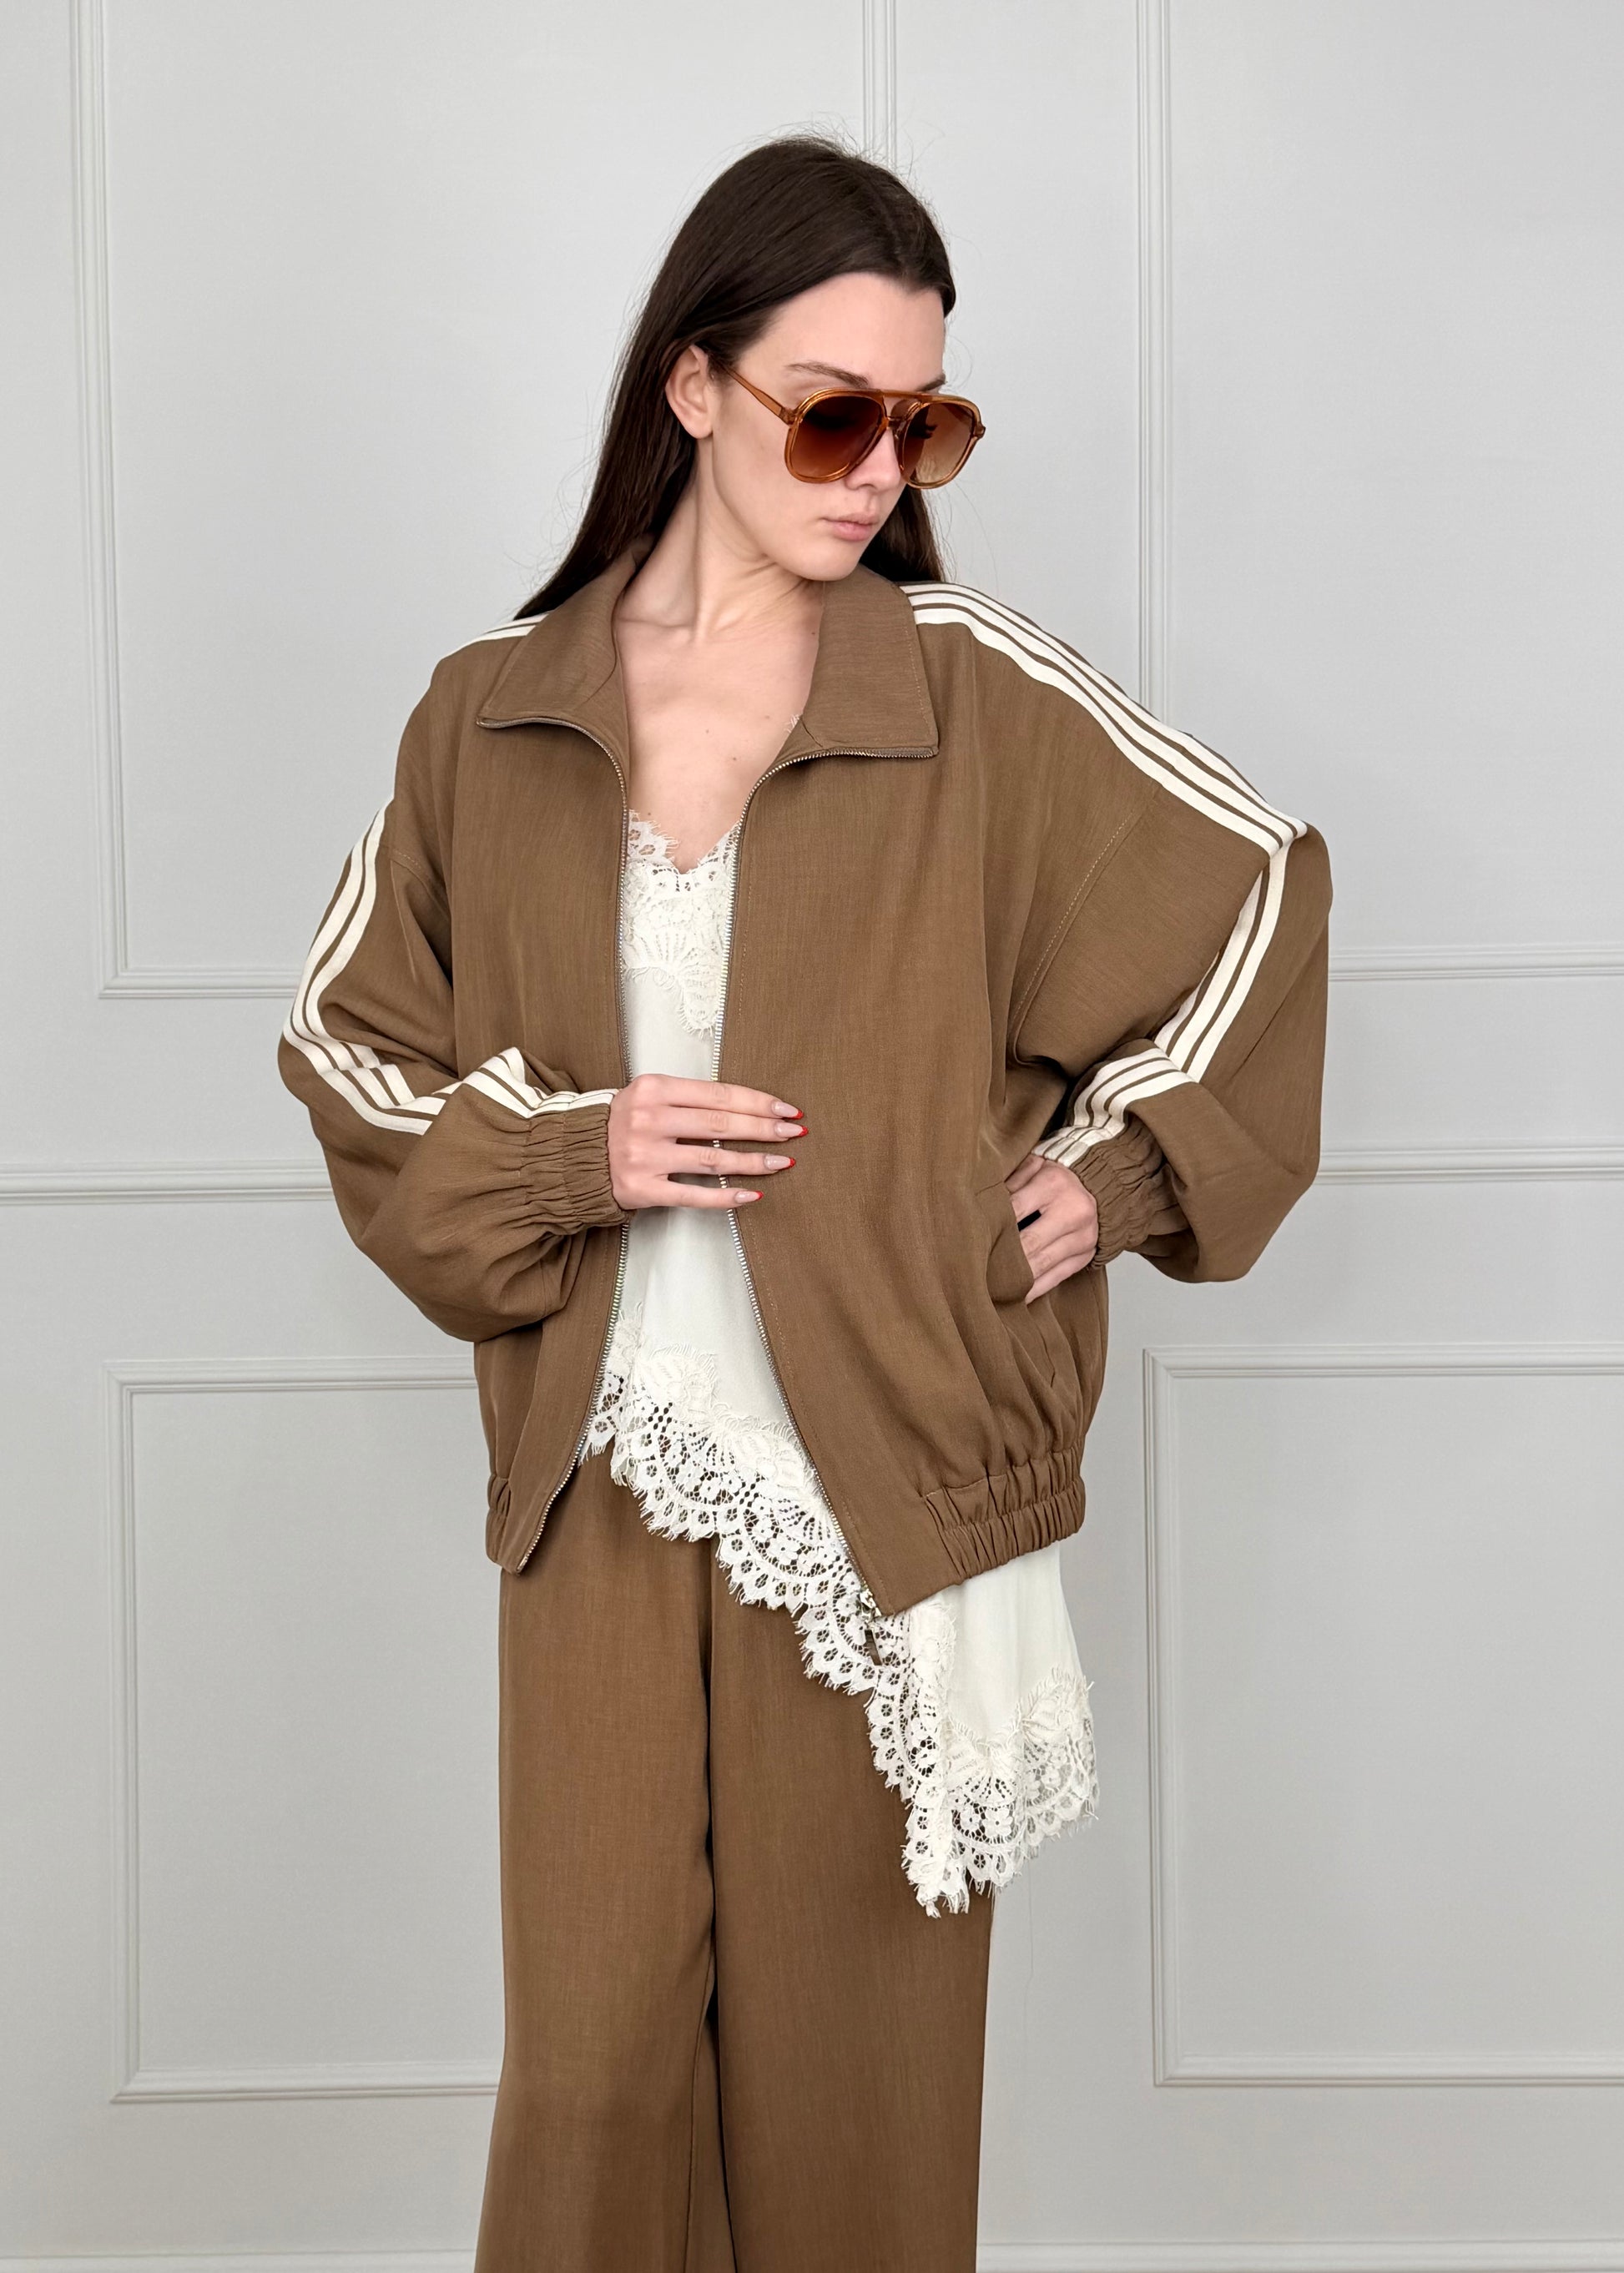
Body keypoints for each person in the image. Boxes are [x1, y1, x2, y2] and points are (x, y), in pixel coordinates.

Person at [278, 132, 1331, 2273]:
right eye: (832, 413)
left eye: (922, 423)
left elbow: (1259, 895)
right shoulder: (491, 716)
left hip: (892, 1483)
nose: (879, 471)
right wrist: (575, 1151)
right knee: (592, 2081)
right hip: (600, 1480)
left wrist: (1113, 1179)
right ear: (693, 387)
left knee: (856, 2092)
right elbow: (348, 1047)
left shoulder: (970, 688)